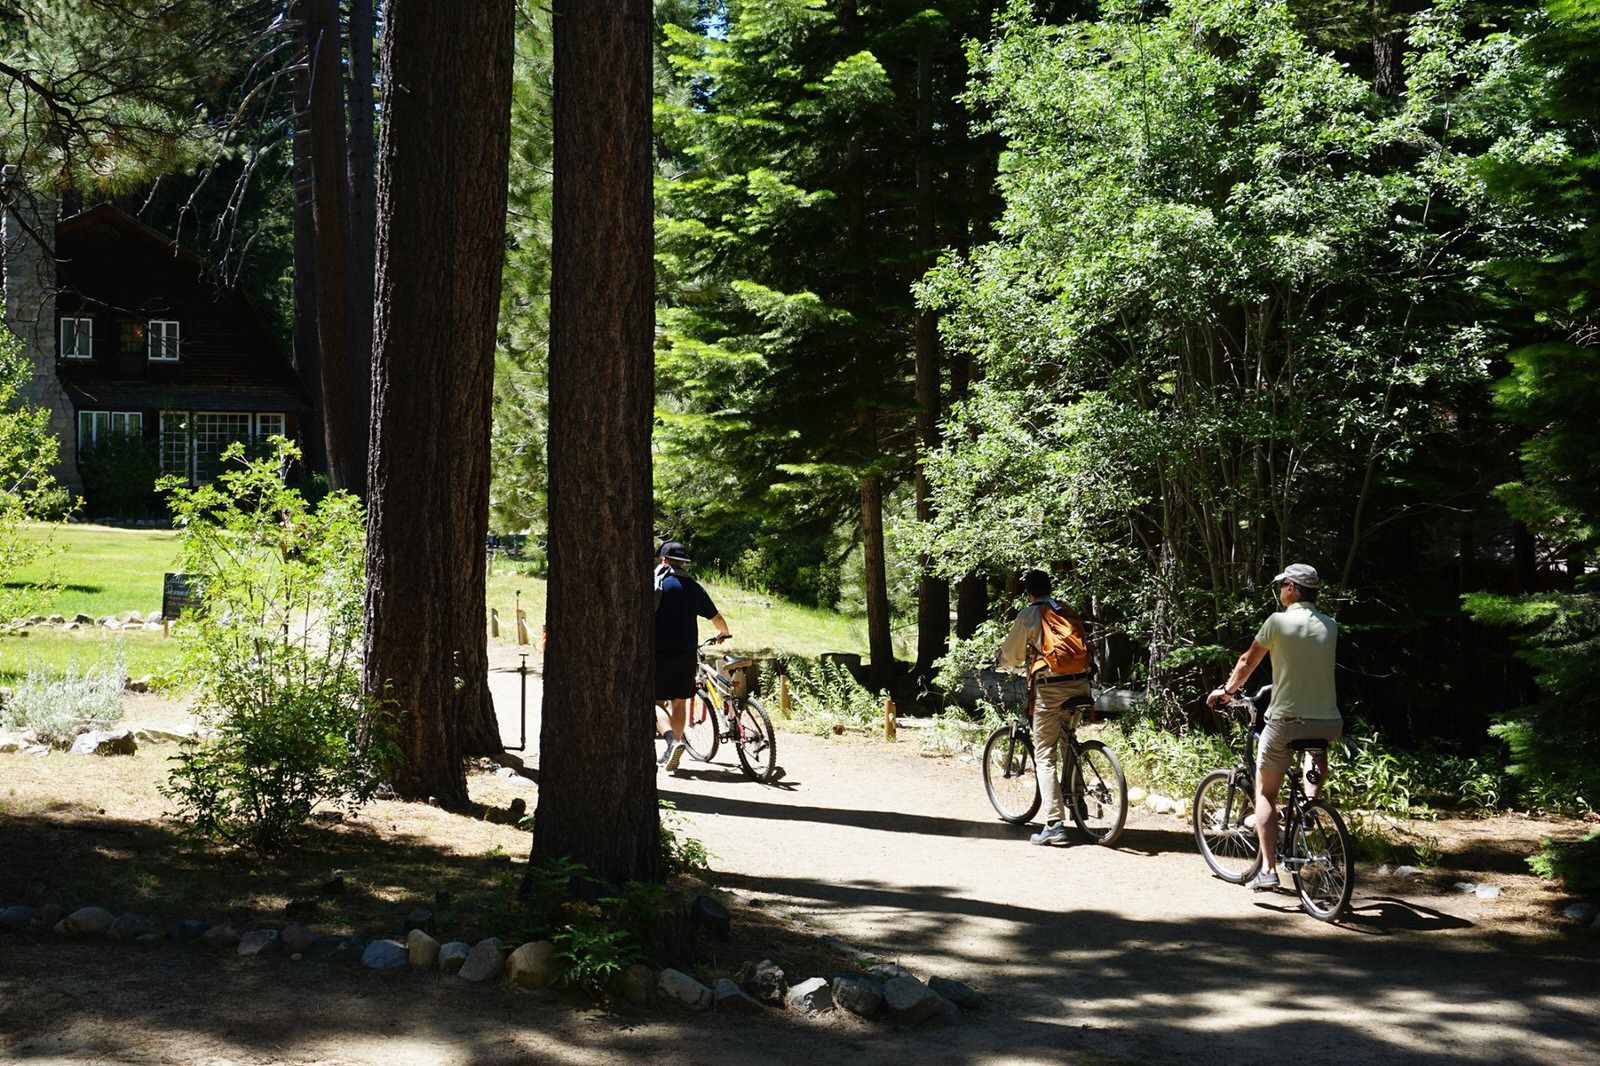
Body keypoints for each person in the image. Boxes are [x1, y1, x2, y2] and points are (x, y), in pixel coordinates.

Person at [1208, 563, 1341, 891]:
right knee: (1314, 746)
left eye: (1283, 584)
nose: (1280, 589)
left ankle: (1268, 871)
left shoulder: (1278, 622)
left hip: (1286, 721)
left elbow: (1247, 662)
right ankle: (1309, 806)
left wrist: (1226, 692)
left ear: (1292, 588)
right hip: (1329, 722)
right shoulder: (1331, 625)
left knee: (1266, 792)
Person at [997, 569, 1095, 846]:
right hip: (1082, 683)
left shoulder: (1030, 614)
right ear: (1050, 588)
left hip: (1051, 688)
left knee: (1044, 754)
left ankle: (1054, 824)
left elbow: (1012, 653)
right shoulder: (1065, 609)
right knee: (1068, 740)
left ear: (1028, 592)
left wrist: (1002, 661)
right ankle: (1077, 802)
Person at [654, 540, 730, 773]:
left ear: (664, 560)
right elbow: (716, 617)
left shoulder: (659, 584)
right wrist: (724, 632)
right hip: (687, 652)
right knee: (679, 701)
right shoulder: (694, 587)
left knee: (653, 702)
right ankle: (672, 752)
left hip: (659, 651)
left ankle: (672, 743)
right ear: (684, 563)